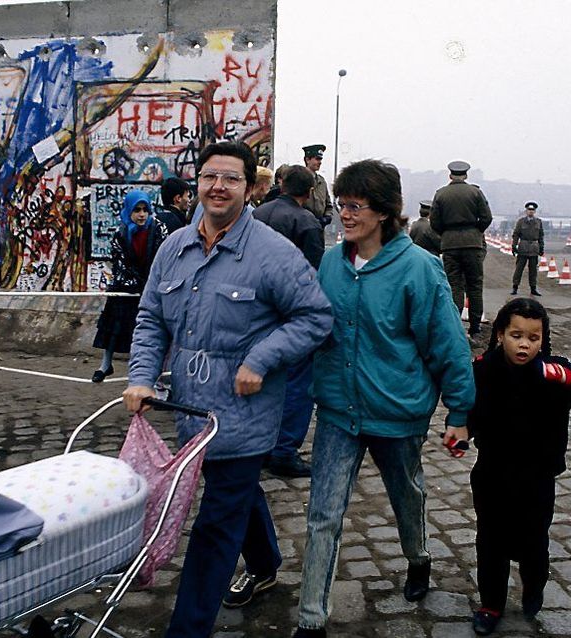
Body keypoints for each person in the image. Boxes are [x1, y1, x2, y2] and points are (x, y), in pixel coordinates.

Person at [123, 141, 332, 638]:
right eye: (210, 176)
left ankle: (187, 628)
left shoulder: (272, 253)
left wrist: (261, 359)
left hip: (244, 413)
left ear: (249, 188)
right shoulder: (174, 247)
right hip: (191, 410)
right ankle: (264, 562)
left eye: (231, 178)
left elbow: (315, 317)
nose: (219, 187)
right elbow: (152, 318)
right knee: (231, 492)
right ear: (198, 182)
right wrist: (141, 376)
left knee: (216, 522)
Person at [291, 159, 475, 638]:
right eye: (341, 205)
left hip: (398, 412)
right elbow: (311, 323)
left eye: (355, 206)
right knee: (323, 516)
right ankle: (312, 617)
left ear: (385, 211)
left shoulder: (419, 268)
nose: (344, 215)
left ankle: (418, 558)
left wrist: (460, 411)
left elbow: (447, 343)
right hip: (337, 410)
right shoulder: (331, 263)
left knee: (406, 495)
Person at [467, 298, 571, 636]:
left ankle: (533, 587)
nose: (524, 344)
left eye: (533, 338)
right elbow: (467, 409)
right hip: (492, 474)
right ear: (500, 334)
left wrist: (564, 374)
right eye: (517, 335)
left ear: (543, 339)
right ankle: (491, 603)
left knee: (533, 542)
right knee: (490, 541)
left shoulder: (554, 372)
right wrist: (460, 431)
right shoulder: (483, 369)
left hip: (538, 477)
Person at [252, 165, 325, 478]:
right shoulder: (307, 221)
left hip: (254, 309)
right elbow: (313, 273)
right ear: (308, 192)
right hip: (291, 313)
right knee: (297, 382)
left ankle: (261, 444)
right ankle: (284, 449)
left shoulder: (256, 215)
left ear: (281, 185)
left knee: (260, 376)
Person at [91, 190, 168, 382]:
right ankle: (106, 364)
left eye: (145, 210)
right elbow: (120, 263)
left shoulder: (159, 229)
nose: (142, 214)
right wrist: (132, 284)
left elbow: (163, 258)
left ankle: (151, 372)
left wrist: (152, 284)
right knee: (115, 324)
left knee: (151, 331)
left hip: (153, 285)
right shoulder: (121, 232)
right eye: (137, 210)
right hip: (128, 286)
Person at [431, 160, 493, 340]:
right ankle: (475, 328)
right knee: (474, 286)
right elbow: (486, 217)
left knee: (454, 286)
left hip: (450, 244)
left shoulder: (441, 194)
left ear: (450, 175)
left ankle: (454, 325)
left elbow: (434, 222)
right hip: (472, 244)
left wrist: (446, 233)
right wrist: (476, 231)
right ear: (465, 175)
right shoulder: (475, 192)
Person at [510, 201, 545, 295]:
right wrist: (514, 246)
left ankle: (533, 288)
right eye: (529, 210)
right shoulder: (521, 221)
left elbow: (541, 235)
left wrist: (541, 247)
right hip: (523, 248)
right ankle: (515, 287)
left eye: (532, 210)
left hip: (534, 248)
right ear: (526, 211)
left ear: (535, 211)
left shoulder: (538, 222)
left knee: (533, 270)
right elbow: (516, 234)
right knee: (519, 269)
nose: (531, 211)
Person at [302, 144, 334, 227]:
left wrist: (327, 217)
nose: (320, 162)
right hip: (303, 225)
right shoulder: (300, 179)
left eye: (320, 159)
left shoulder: (321, 181)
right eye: (317, 159)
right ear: (307, 160)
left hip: (319, 227)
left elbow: (328, 204)